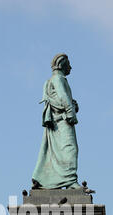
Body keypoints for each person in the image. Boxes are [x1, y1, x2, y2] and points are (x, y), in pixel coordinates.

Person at [32, 53, 81, 190]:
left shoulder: (54, 80)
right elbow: (63, 97)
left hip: (57, 121)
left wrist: (72, 104)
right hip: (63, 121)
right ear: (62, 65)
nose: (71, 67)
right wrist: (70, 111)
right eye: (69, 64)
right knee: (70, 149)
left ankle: (48, 180)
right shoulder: (58, 79)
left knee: (54, 153)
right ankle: (70, 180)